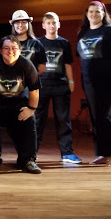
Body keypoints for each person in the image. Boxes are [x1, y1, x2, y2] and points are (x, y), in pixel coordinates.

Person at [77, 1, 111, 166]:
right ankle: (104, 153)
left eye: (97, 11)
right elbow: (83, 57)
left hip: (109, 79)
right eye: (91, 11)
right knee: (95, 117)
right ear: (87, 14)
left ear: (103, 13)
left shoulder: (110, 30)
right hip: (88, 80)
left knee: (104, 115)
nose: (94, 14)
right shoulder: (83, 33)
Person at [0, 35, 41, 174]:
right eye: (6, 48)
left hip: (19, 105)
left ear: (20, 50)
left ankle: (28, 160)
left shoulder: (26, 65)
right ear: (1, 50)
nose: (10, 51)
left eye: (14, 48)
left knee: (30, 120)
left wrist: (31, 109)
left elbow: (35, 89)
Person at [36, 12, 80, 164]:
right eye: (48, 23)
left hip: (60, 85)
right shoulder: (38, 42)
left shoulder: (64, 43)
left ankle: (67, 153)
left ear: (58, 24)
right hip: (41, 85)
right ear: (44, 26)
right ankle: (31, 153)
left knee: (63, 120)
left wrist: (71, 81)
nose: (51, 25)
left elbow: (68, 64)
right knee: (37, 120)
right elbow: (34, 65)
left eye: (54, 23)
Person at [9, 10, 47, 74]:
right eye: (17, 22)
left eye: (24, 22)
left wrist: (32, 78)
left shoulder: (36, 44)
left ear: (28, 24)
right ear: (13, 25)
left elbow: (42, 66)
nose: (20, 25)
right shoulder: (7, 43)